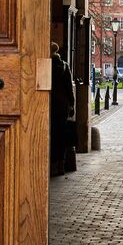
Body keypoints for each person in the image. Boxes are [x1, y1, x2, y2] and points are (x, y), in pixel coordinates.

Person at [49, 42, 75, 175]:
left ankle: (52, 165)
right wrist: (72, 105)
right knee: (61, 135)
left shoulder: (45, 65)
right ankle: (61, 165)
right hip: (62, 106)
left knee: (51, 136)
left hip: (49, 105)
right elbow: (69, 89)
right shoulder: (64, 66)